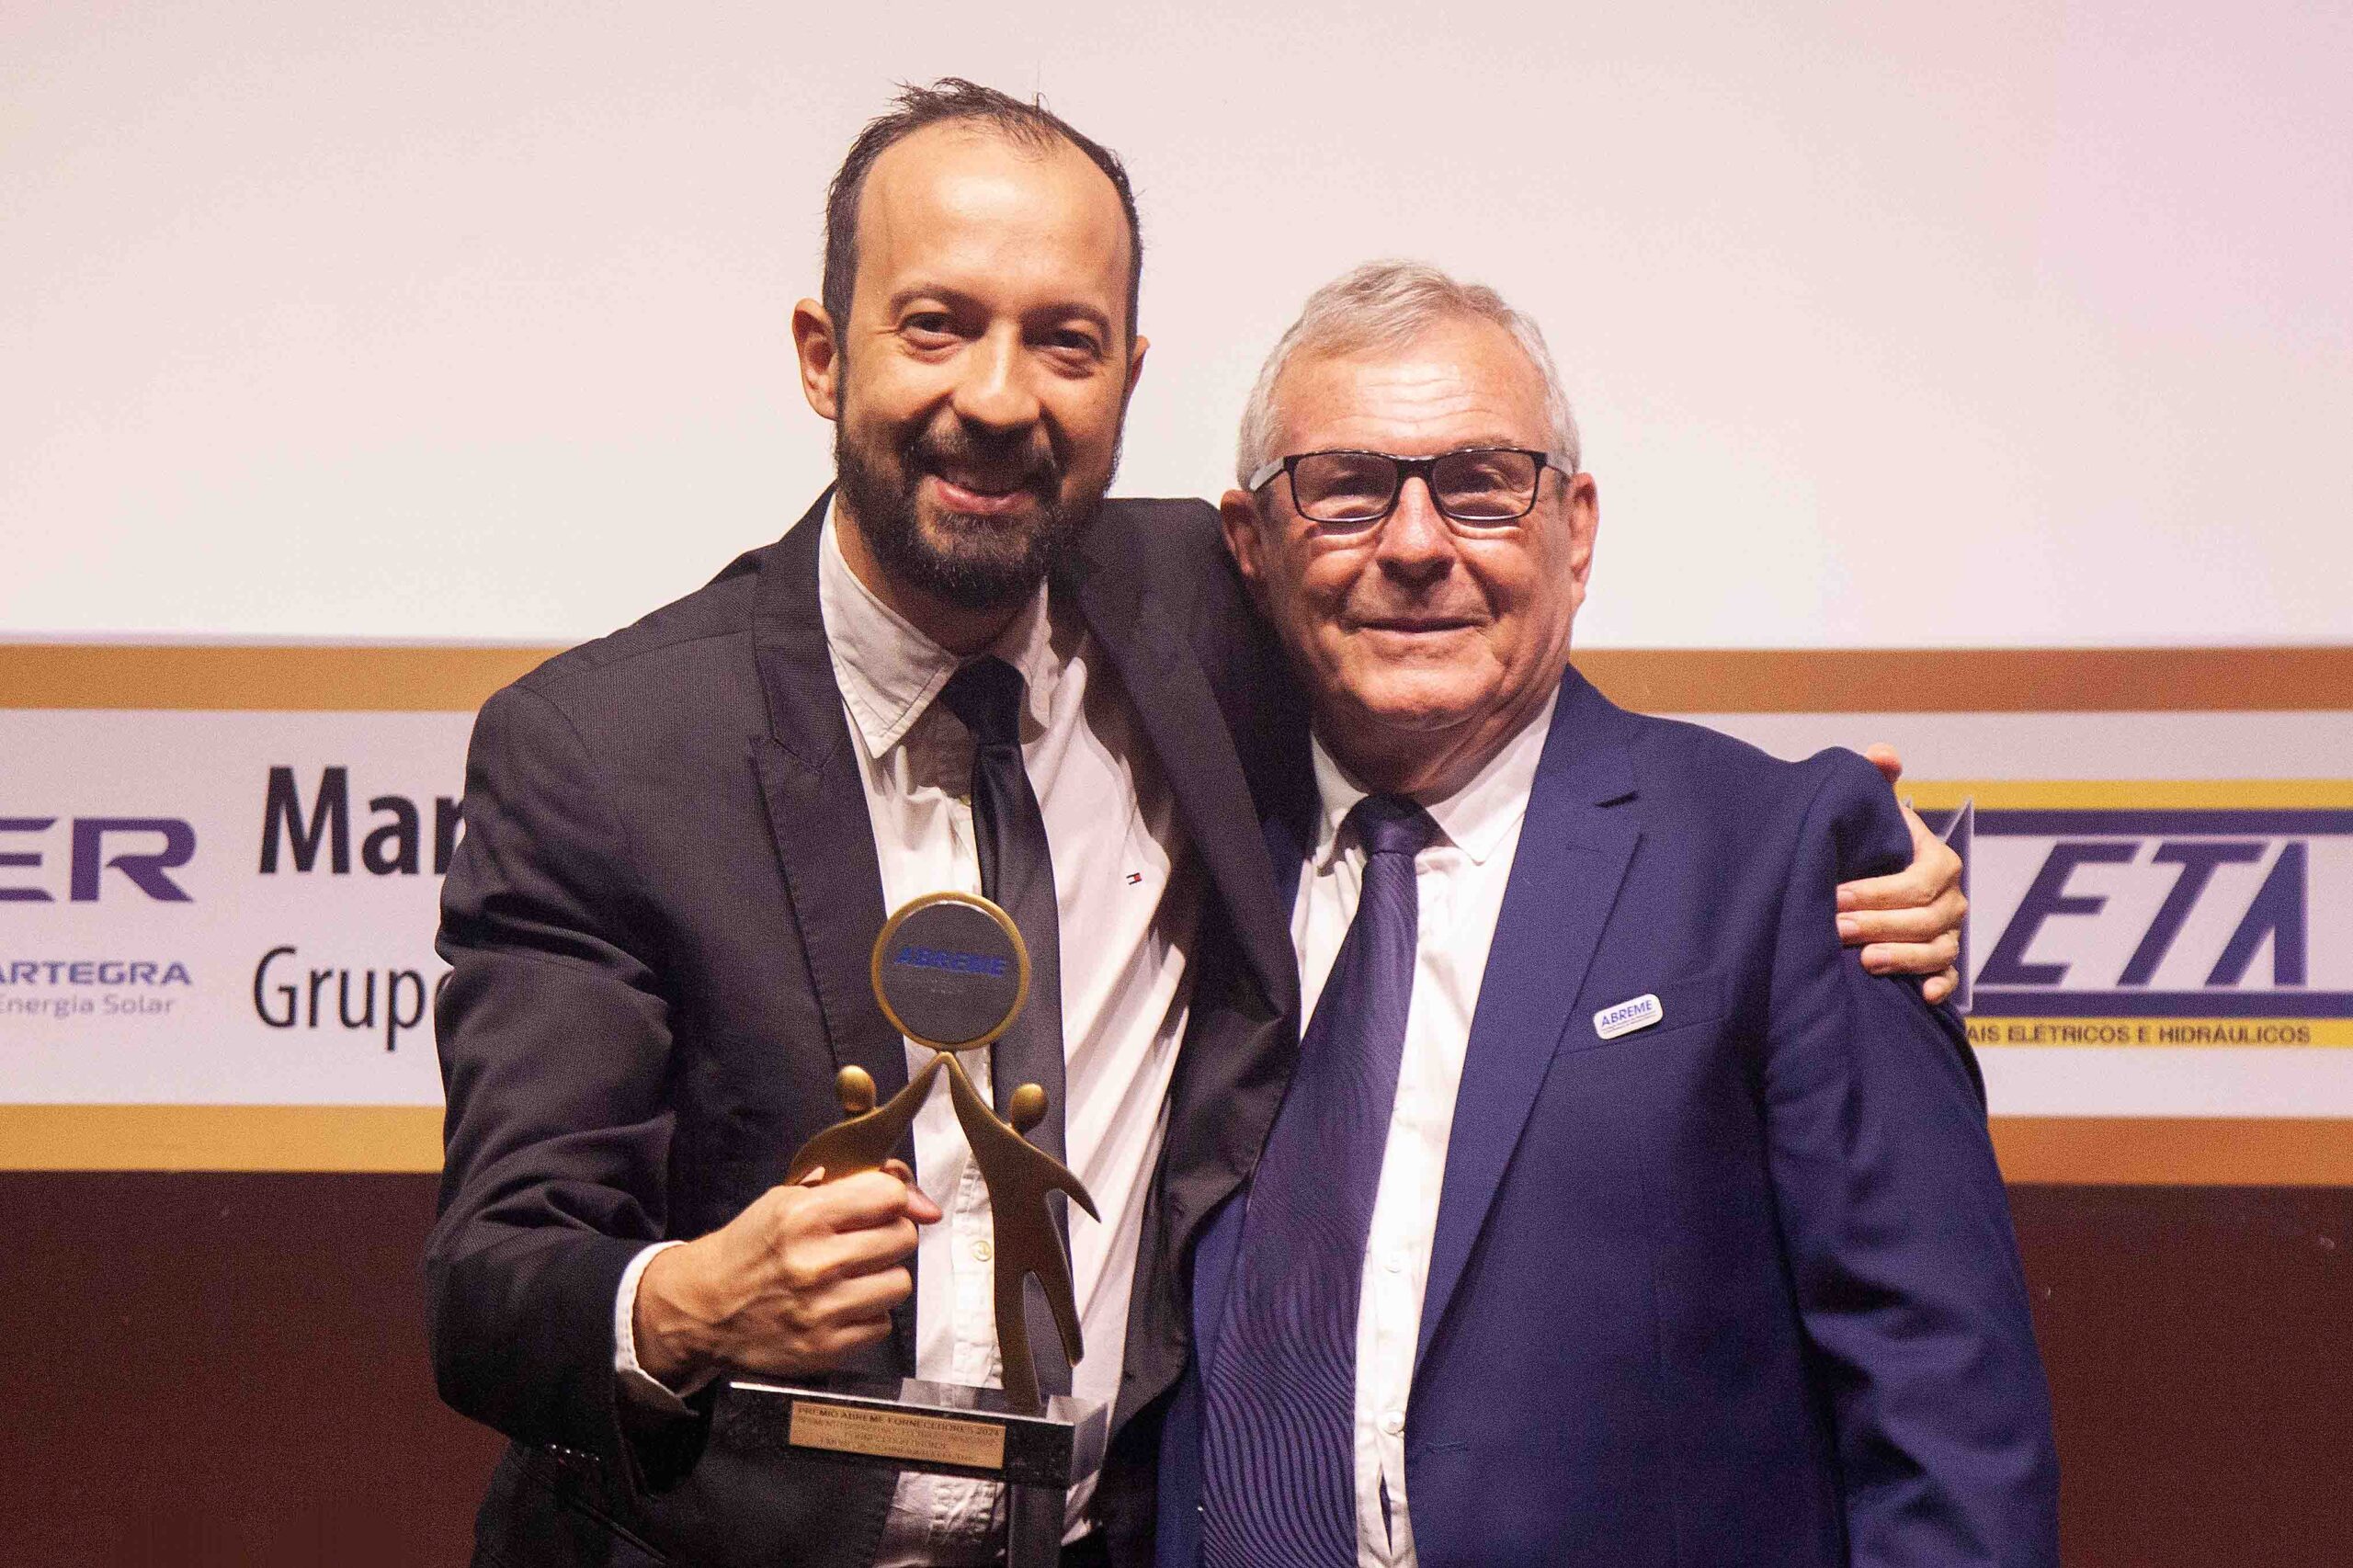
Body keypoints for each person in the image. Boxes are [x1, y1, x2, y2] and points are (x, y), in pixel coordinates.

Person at [426, 84, 1968, 1568]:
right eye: (938, 324)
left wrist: (1771, 846)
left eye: (1064, 341)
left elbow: (1450, 633)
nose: (998, 398)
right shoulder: (604, 752)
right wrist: (681, 1300)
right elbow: (493, 1280)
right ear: (825, 356)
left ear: (1127, 381)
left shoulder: (1192, 618)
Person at [1153, 262, 2059, 1568]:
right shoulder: (1177, 862)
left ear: (1575, 530)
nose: (1415, 544)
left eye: (1479, 484)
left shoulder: (1781, 865)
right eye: (1346, 489)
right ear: (1249, 546)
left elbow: (1947, 1422)